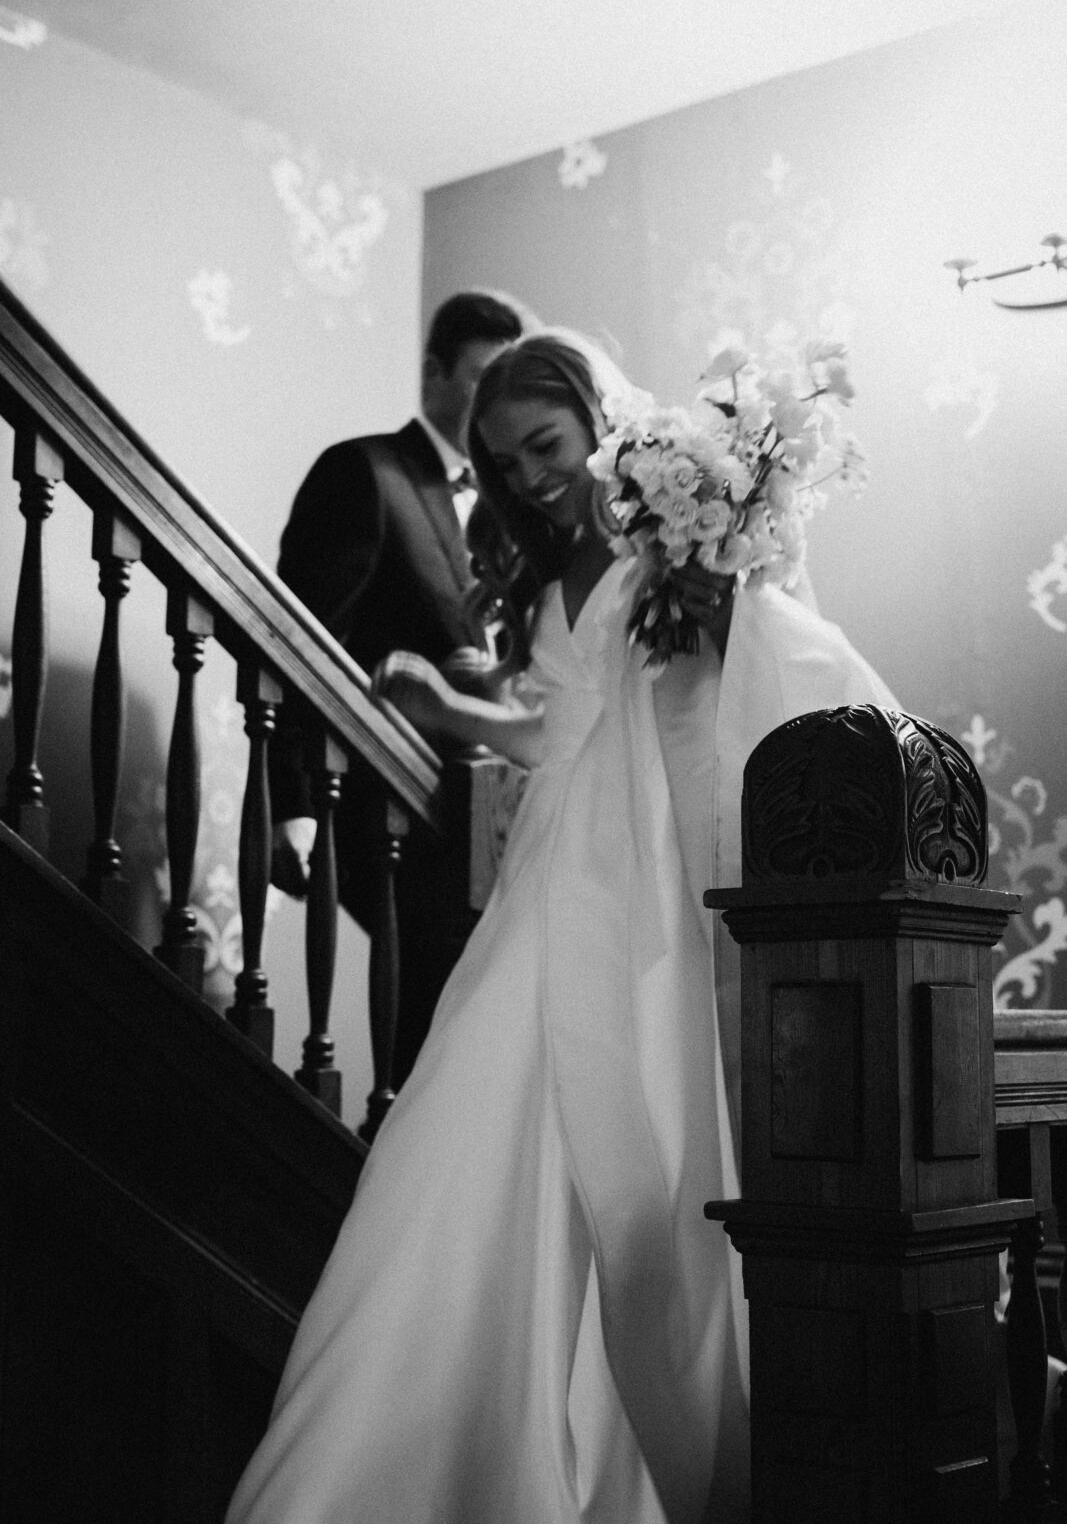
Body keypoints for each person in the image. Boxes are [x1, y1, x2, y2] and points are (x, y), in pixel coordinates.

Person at [229, 332, 898, 1524]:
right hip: (550, 882)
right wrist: (449, 709)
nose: (530, 478)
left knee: (649, 1135)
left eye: (543, 445)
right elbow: (558, 733)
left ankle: (639, 1449)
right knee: (468, 1133)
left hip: (648, 873)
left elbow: (726, 687)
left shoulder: (673, 549)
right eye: (501, 462)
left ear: (595, 418)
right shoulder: (543, 588)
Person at [269, 289, 531, 1088]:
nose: (496, 403)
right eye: (482, 378)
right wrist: (292, 805)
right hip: (394, 811)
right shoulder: (365, 472)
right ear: (432, 372)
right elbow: (300, 645)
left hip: (492, 812)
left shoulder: (514, 501)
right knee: (433, 1028)